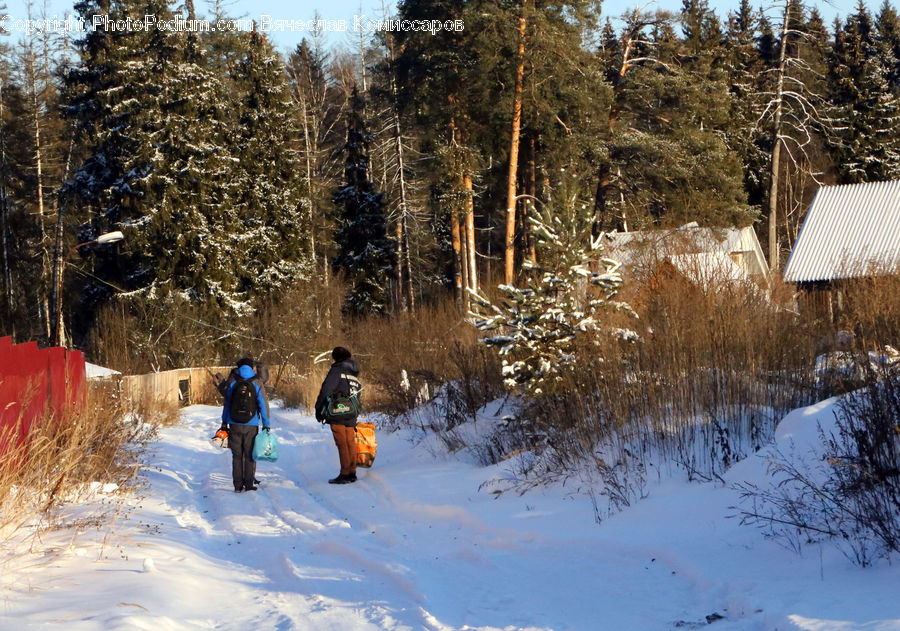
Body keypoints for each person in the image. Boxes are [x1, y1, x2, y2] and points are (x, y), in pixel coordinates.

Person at [315, 346, 362, 484]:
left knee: (341, 442)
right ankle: (352, 472)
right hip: (352, 411)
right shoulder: (354, 374)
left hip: (338, 411)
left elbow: (326, 389)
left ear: (335, 357)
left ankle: (344, 473)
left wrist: (319, 408)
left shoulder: (337, 370)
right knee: (350, 441)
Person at [221, 363, 270, 492]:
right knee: (249, 455)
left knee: (237, 456)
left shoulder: (232, 382)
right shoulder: (257, 382)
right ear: (252, 368)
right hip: (251, 425)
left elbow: (227, 403)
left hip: (234, 424)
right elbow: (263, 405)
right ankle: (248, 484)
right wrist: (266, 424)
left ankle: (237, 485)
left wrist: (224, 422)